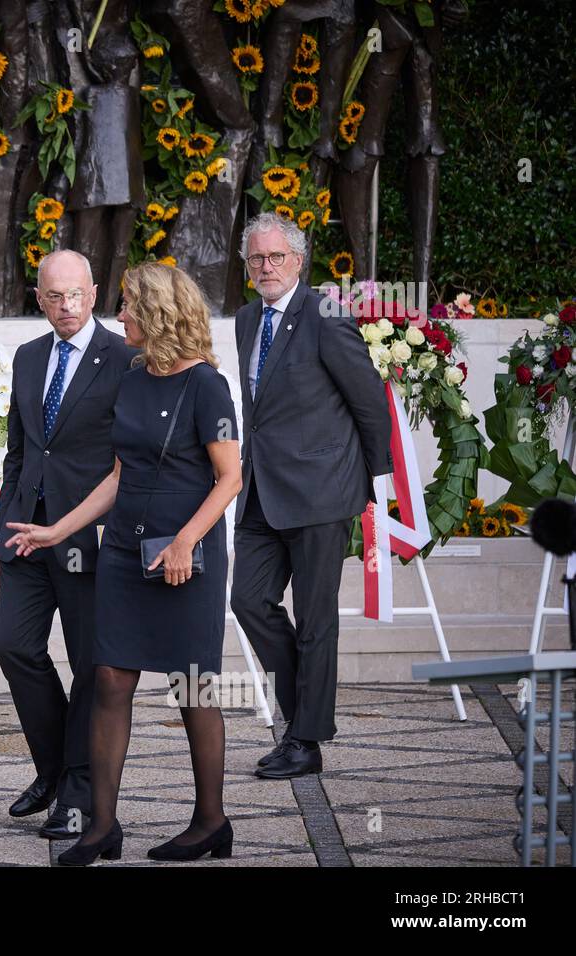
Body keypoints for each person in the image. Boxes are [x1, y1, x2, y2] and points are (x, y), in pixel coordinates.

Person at [6, 262, 243, 866]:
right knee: (111, 679)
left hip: (186, 556)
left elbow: (230, 476)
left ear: (159, 312)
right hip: (122, 552)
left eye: (130, 306)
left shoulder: (208, 386)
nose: (121, 316)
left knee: (193, 689)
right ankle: (101, 827)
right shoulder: (133, 377)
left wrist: (187, 540)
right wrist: (58, 529)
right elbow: (117, 474)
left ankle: (211, 821)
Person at [229, 212, 391, 780]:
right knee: (247, 600)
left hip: (323, 491)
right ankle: (306, 715)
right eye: (257, 258)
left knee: (316, 617)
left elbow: (368, 400)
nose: (266, 267)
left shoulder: (324, 313)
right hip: (261, 492)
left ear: (299, 260)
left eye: (276, 257)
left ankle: (304, 740)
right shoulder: (247, 320)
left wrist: (378, 480)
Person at [0, 250, 137, 840]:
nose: (67, 306)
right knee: (12, 643)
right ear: (39, 297)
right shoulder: (28, 358)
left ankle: (78, 791)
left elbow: (129, 460)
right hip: (28, 533)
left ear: (94, 292)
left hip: (91, 539)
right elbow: (19, 453)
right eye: (55, 296)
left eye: (76, 294)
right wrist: (2, 535)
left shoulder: (125, 359)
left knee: (88, 667)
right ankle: (52, 770)